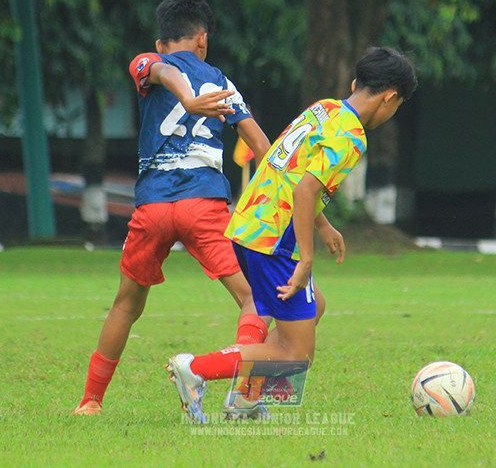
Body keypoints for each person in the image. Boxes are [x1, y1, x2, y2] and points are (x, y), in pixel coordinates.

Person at [166, 46, 417, 423]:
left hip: (250, 224)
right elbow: (304, 191)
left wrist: (322, 224)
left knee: (315, 307)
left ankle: (245, 400)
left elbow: (289, 170)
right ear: (390, 97)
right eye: (396, 107)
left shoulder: (326, 109)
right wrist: (307, 257)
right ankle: (194, 369)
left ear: (354, 84)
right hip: (274, 239)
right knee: (296, 353)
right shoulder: (351, 136)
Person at [74, 0, 271, 415]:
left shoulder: (147, 61)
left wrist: (183, 95)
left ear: (163, 41)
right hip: (204, 204)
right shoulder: (222, 82)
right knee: (256, 301)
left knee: (126, 304)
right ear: (202, 39)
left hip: (154, 208)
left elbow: (160, 71)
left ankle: (91, 401)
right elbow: (261, 146)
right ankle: (247, 397)